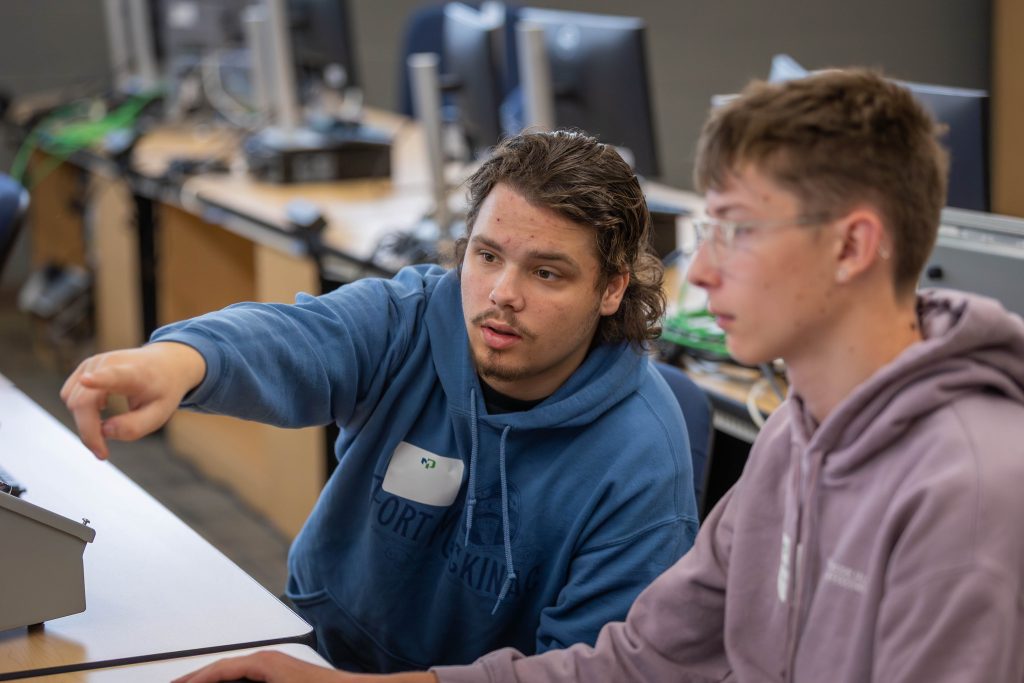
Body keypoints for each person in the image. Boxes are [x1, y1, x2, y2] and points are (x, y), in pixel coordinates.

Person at [173, 68, 1024, 683]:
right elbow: (639, 661)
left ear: (852, 246)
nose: (707, 274)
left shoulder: (971, 487)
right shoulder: (800, 436)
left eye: (737, 232)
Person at [61, 130, 699, 673]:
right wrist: (178, 361)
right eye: (487, 255)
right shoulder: (418, 317)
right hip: (316, 641)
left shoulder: (642, 462)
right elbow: (298, 339)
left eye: (547, 272)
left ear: (612, 289)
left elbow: (581, 675)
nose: (502, 293)